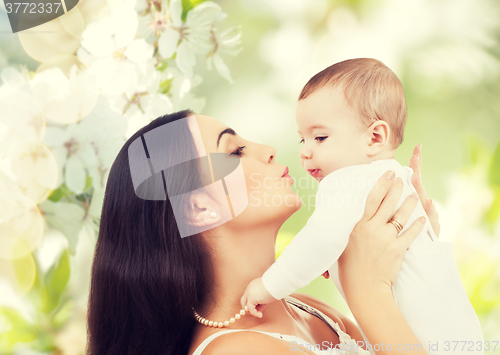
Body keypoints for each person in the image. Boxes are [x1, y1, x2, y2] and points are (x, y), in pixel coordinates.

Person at [86, 109, 439, 355]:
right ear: (199, 208)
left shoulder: (306, 309)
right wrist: (368, 291)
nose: (268, 151)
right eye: (235, 151)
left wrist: (409, 262)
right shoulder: (234, 350)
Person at [240, 58, 483, 354]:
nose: (304, 152)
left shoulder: (345, 181)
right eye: (303, 139)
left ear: (375, 137)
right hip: (455, 332)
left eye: (320, 137)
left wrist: (268, 286)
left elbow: (320, 239)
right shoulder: (393, 176)